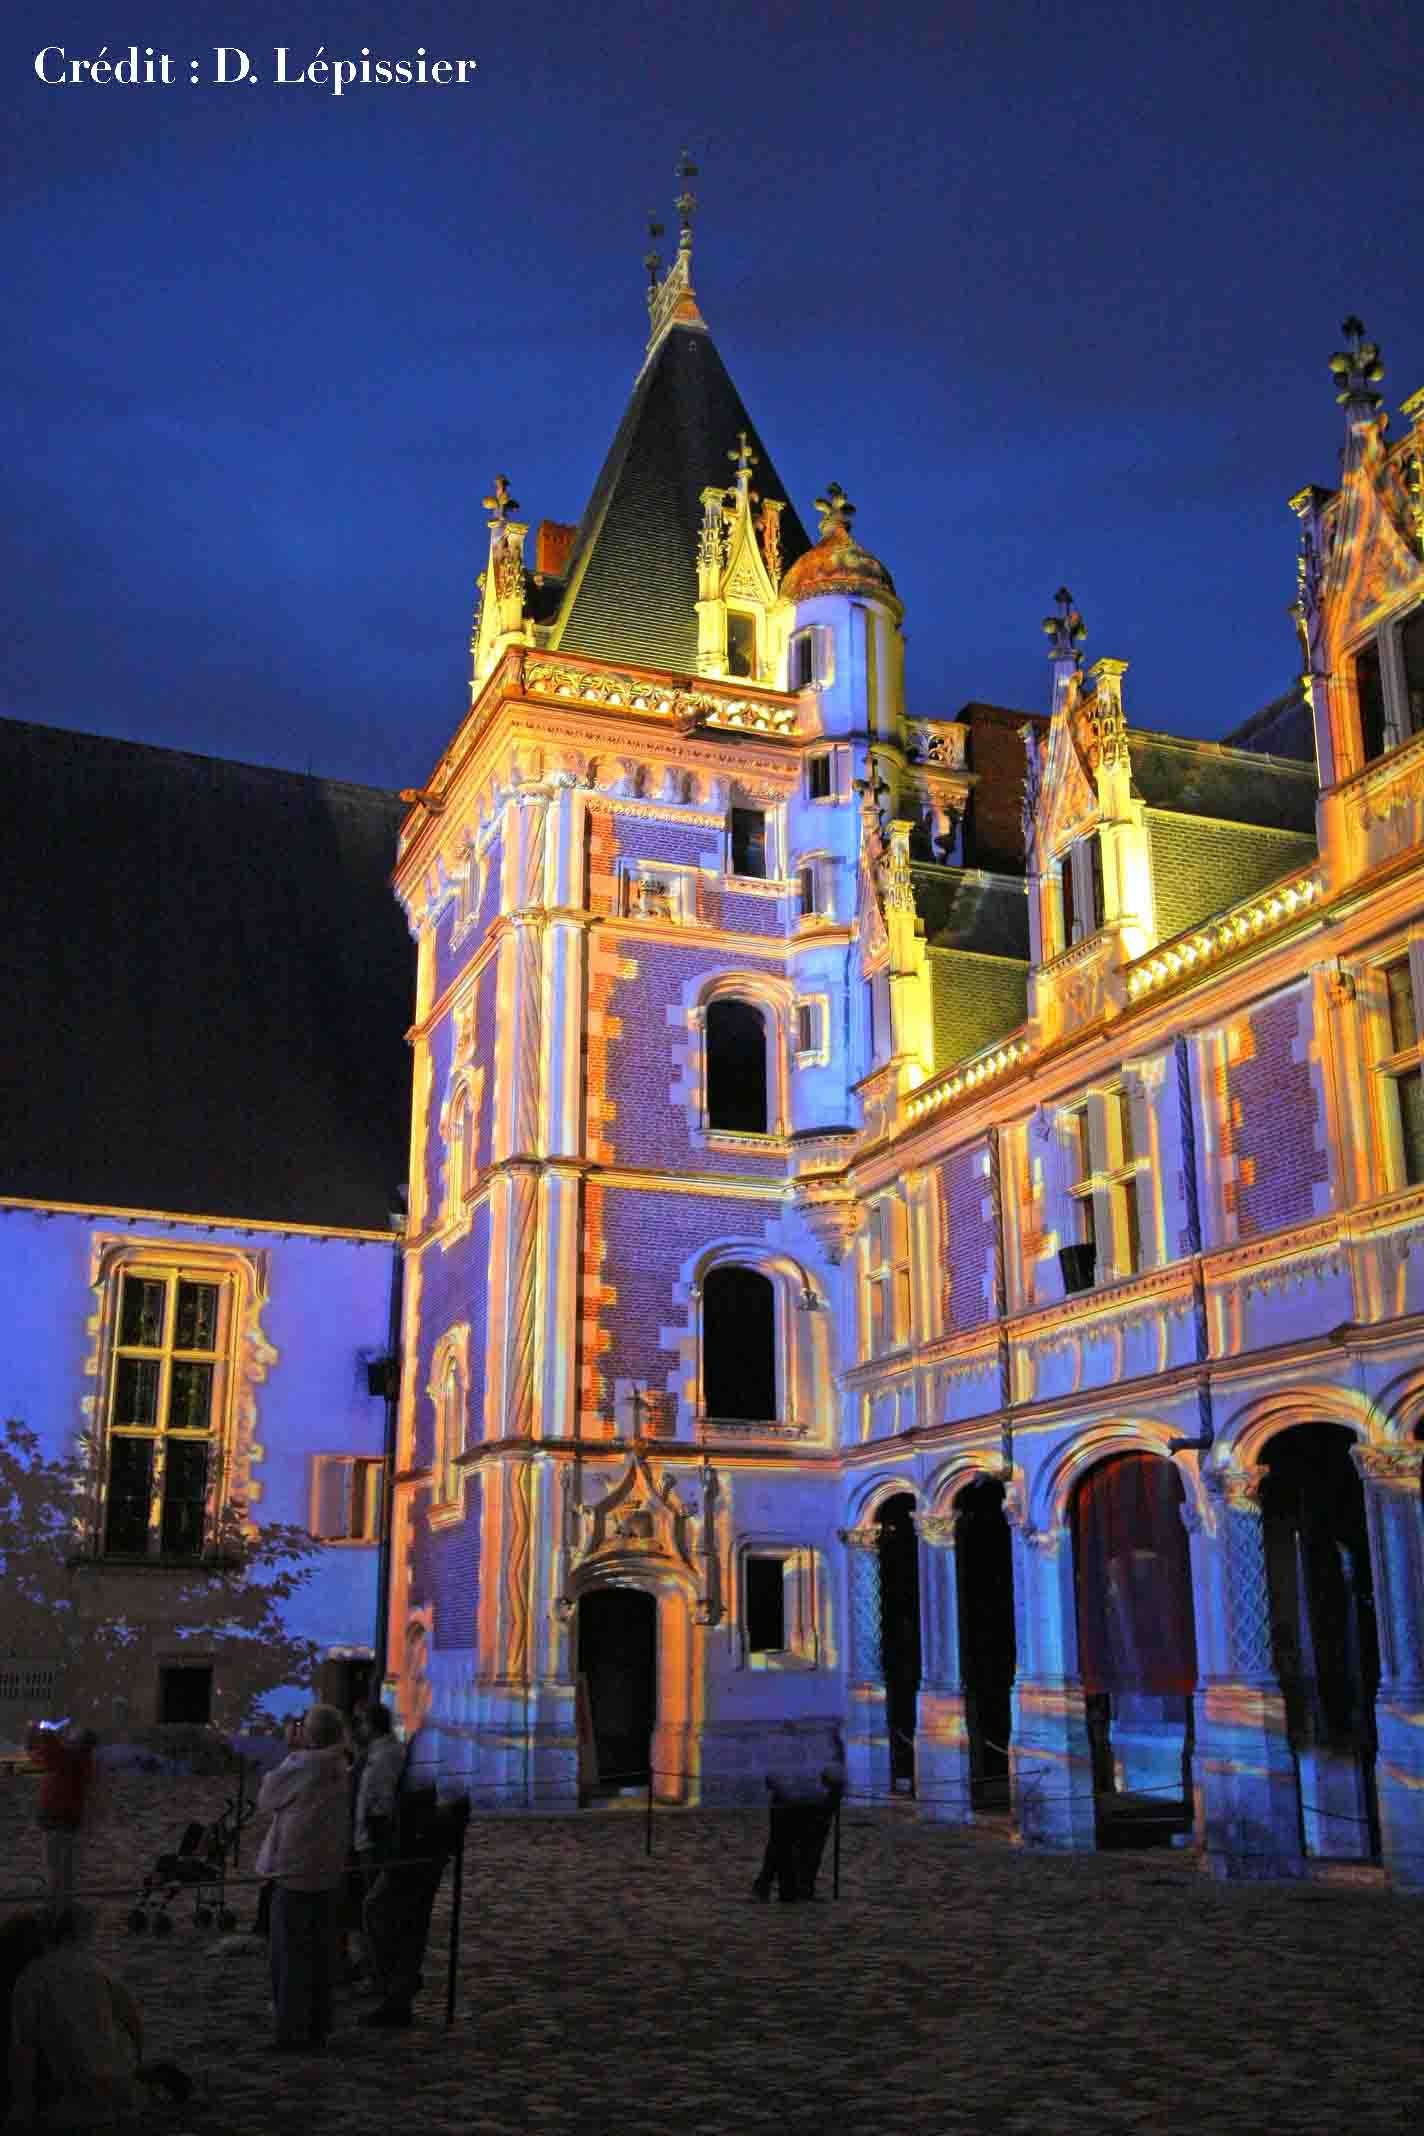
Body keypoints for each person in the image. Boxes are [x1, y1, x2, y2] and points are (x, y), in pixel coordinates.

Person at [255, 1703, 350, 2052]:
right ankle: (318, 2025)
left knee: (289, 1954)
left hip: (295, 1869)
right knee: (320, 1953)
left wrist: (291, 1751)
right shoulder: (339, 1764)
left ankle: (292, 2031)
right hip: (327, 1868)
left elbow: (267, 1796)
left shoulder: (303, 1765)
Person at [360, 1725, 467, 2029]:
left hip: (417, 1853)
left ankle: (399, 1990)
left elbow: (452, 1803)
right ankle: (399, 1990)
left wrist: (431, 1833)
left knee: (386, 1914)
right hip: (409, 1848)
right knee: (395, 1919)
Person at [751, 1727, 846, 1903]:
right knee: (782, 1843)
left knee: (805, 1844)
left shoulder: (823, 1730)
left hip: (816, 1798)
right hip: (792, 1797)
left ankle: (798, 1887)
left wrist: (835, 1783)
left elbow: (835, 1761)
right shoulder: (786, 1734)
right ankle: (781, 1887)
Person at [27, 1726, 97, 1912]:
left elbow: (48, 1755)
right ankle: (64, 1903)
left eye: (74, 1734)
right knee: (65, 1866)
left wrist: (43, 1732)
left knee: (53, 1865)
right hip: (68, 1818)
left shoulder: (70, 1758)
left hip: (56, 1817)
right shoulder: (81, 1760)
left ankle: (54, 1905)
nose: (69, 1734)